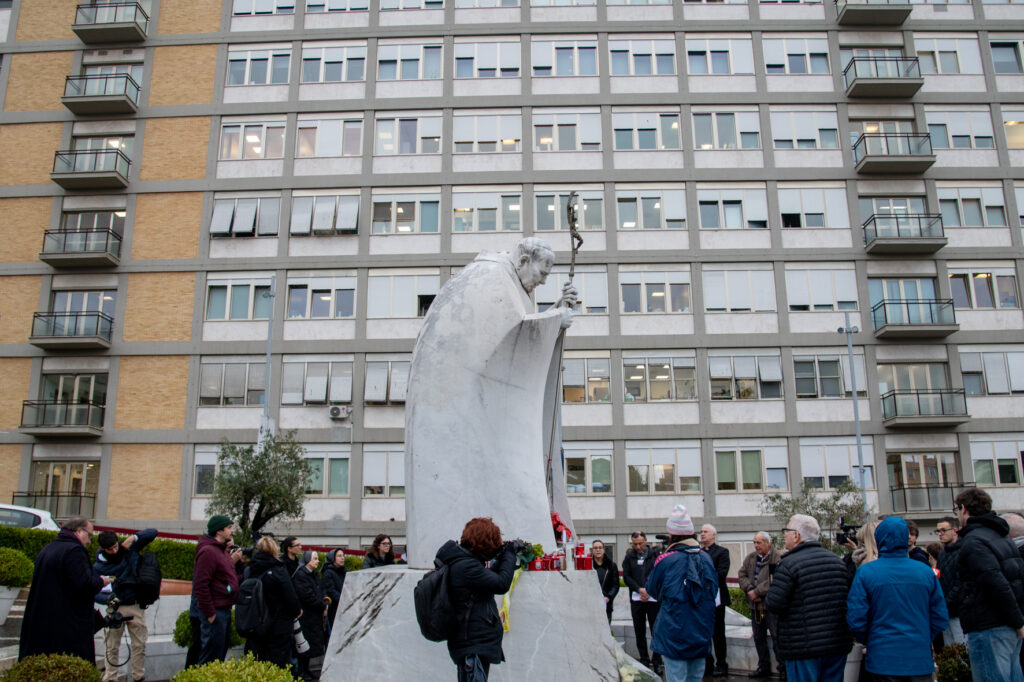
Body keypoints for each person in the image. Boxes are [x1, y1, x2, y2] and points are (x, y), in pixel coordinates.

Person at [404, 238, 578, 568]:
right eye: (542, 271)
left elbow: (514, 334)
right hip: (459, 419)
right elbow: (496, 342)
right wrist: (554, 318)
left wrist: (555, 311)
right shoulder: (487, 279)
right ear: (525, 259)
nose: (543, 280)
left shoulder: (510, 283)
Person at [846, 516, 949, 682]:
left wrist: (871, 640)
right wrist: (923, 636)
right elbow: (940, 616)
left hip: (882, 657)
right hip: (918, 657)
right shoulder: (925, 572)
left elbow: (856, 618)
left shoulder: (866, 573)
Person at [765, 514, 852, 682]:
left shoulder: (788, 564)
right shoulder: (837, 562)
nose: (785, 535)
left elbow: (774, 603)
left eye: (787, 531)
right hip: (836, 645)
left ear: (796, 535)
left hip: (803, 648)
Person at [19, 516, 112, 663]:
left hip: (43, 622)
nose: (89, 541)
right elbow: (84, 584)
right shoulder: (75, 551)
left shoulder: (48, 548)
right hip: (67, 625)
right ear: (79, 532)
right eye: (89, 536)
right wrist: (101, 581)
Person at [434, 517, 518, 681]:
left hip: (472, 643)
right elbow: (501, 584)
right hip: (472, 645)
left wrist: (501, 558)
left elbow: (487, 579)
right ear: (485, 541)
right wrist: (509, 554)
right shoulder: (466, 566)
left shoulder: (463, 562)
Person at [953, 488, 1024, 682]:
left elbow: (995, 583)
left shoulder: (974, 541)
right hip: (1006, 624)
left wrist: (1018, 621)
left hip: (989, 626)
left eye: (957, 510)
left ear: (964, 509)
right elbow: (1016, 579)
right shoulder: (1002, 537)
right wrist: (1018, 620)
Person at [646, 505, 718, 682]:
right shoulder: (706, 558)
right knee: (695, 678)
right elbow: (714, 590)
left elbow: (651, 589)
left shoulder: (666, 559)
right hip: (701, 630)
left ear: (672, 535)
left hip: (674, 631)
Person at [93, 528, 158, 682]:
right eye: (111, 549)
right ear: (103, 549)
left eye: (116, 546)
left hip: (135, 605)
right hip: (115, 608)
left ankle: (138, 677)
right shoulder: (97, 568)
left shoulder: (128, 550)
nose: (115, 550)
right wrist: (107, 598)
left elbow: (153, 532)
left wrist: (133, 538)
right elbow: (93, 591)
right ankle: (110, 678)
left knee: (139, 644)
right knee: (112, 646)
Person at [244, 536, 301, 670]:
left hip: (256, 622)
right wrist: (297, 610)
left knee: (259, 663)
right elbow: (290, 596)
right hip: (278, 624)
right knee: (279, 664)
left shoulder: (250, 569)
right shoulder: (278, 570)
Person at [193, 514, 241, 664]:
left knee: (219, 655)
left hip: (224, 609)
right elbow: (200, 585)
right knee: (211, 657)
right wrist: (210, 614)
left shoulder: (220, 551)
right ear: (219, 531)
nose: (232, 531)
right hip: (215, 611)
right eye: (229, 528)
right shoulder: (208, 552)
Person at [737, 531, 783, 680]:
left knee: (777, 638)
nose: (756, 546)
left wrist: (758, 592)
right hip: (755, 606)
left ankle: (783, 668)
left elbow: (775, 580)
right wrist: (750, 589)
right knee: (758, 637)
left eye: (759, 542)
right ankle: (763, 666)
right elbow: (742, 575)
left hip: (770, 606)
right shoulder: (750, 558)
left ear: (768, 543)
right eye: (755, 542)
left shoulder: (777, 557)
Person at [623, 530, 663, 674]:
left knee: (656, 629)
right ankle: (644, 658)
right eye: (635, 544)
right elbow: (627, 576)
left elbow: (659, 574)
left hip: (653, 597)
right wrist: (639, 589)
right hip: (637, 597)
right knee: (639, 630)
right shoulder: (629, 557)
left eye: (640, 544)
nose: (638, 547)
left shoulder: (655, 556)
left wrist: (649, 589)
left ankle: (657, 660)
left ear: (646, 541)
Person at [700, 523, 731, 678]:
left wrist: (703, 580)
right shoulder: (698, 553)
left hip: (716, 597)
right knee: (704, 633)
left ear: (713, 535)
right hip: (701, 599)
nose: (702, 534)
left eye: (705, 532)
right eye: (701, 532)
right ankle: (707, 663)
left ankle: (721, 664)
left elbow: (721, 573)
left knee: (718, 633)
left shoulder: (722, 552)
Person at [293, 550, 328, 682]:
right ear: (307, 560)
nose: (317, 561)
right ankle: (301, 671)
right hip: (306, 616)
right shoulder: (301, 575)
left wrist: (324, 602)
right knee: (303, 644)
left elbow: (319, 591)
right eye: (314, 559)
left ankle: (306, 669)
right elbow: (307, 596)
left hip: (314, 615)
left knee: (310, 644)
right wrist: (322, 605)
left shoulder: (313, 574)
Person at [936, 515, 966, 646]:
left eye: (943, 530)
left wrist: (946, 602)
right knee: (950, 650)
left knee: (961, 649)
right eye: (938, 531)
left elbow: (961, 582)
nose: (940, 534)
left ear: (955, 531)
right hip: (945, 611)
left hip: (959, 611)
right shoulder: (942, 554)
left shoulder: (963, 551)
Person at [591, 539, 619, 624]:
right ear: (592, 550)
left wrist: (609, 597)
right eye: (595, 548)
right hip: (592, 603)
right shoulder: (588, 565)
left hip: (606, 603)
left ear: (604, 549)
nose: (598, 550)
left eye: (600, 547)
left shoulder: (611, 565)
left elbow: (615, 585)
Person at [321, 548, 347, 635]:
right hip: (334, 609)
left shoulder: (345, 572)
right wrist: (344, 600)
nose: (342, 558)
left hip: (345, 609)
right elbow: (331, 591)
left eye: (343, 556)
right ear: (333, 558)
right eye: (339, 556)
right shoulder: (328, 573)